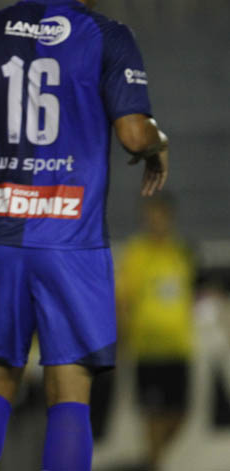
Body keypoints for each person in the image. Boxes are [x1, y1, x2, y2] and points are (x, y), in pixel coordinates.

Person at [0, 0, 169, 471]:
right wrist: (157, 142)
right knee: (69, 388)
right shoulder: (108, 37)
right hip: (72, 242)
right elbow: (133, 132)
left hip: (6, 233)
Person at [116, 194, 195, 470]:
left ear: (169, 217)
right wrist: (123, 339)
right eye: (150, 216)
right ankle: (155, 464)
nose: (155, 221)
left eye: (160, 215)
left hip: (178, 347)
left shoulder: (181, 252)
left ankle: (150, 461)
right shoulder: (136, 253)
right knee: (152, 415)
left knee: (180, 414)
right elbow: (123, 300)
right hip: (147, 349)